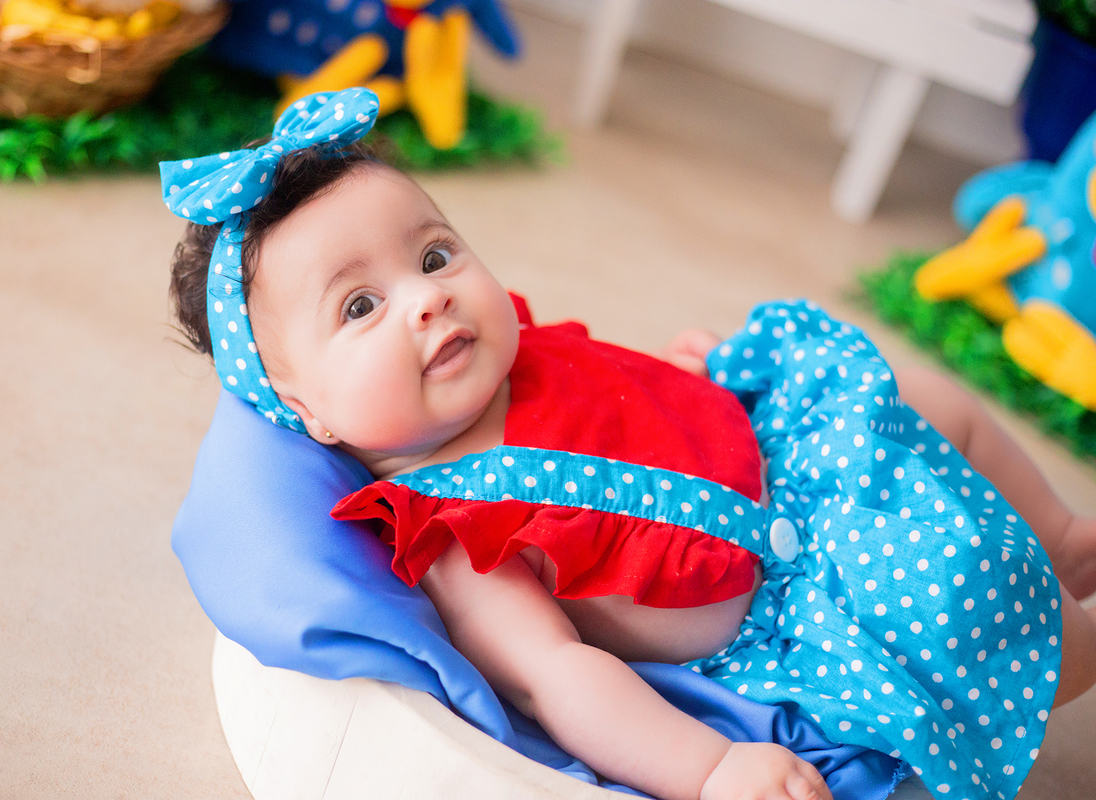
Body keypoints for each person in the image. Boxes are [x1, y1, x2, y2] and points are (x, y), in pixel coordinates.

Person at [162, 88, 1096, 800]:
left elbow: (616, 398)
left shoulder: (513, 349)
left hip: (784, 461)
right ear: (308, 413)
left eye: (435, 253)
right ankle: (1075, 630)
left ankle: (1061, 531)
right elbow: (558, 679)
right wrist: (712, 767)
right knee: (980, 594)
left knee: (920, 395)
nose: (428, 296)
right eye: (360, 306)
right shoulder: (455, 534)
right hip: (788, 607)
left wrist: (696, 379)